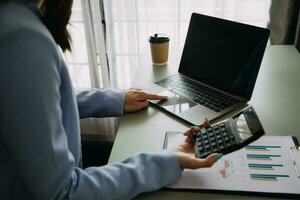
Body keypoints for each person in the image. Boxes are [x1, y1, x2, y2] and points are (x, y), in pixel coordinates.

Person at [0, 0, 222, 199]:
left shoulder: (14, 20)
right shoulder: (22, 37)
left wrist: (113, 100)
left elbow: (29, 103)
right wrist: (169, 161)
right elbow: (62, 192)